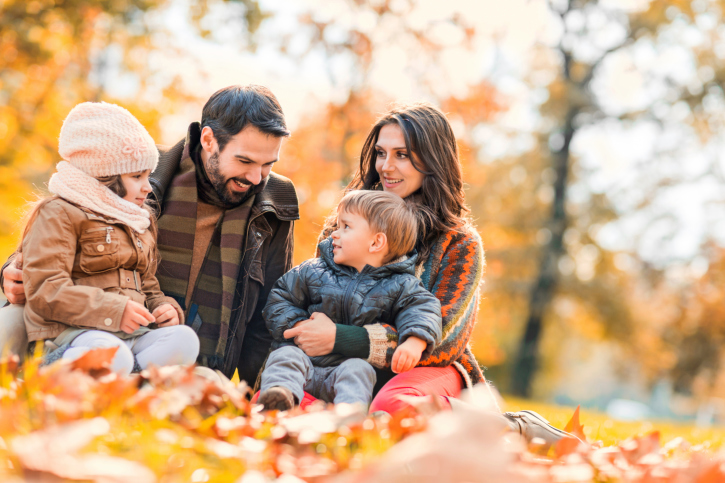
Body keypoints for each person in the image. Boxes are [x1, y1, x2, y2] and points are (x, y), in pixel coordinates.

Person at [279, 102, 575, 445]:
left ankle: (510, 427)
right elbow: (320, 308)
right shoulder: (342, 228)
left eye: (402, 155)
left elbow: (439, 340)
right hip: (346, 368)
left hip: (426, 371)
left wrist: (342, 337)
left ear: (432, 161)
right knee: (284, 401)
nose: (386, 166)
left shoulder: (460, 244)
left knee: (393, 408)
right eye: (380, 153)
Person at [0, 85, 299, 384]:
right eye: (245, 161)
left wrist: (257, 393)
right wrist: (10, 271)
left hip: (170, 350)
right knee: (12, 317)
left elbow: (268, 312)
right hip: (89, 329)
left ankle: (127, 381)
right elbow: (65, 223)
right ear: (209, 140)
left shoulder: (274, 202)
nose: (256, 177)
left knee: (199, 374)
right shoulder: (140, 174)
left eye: (268, 165)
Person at [3, 101, 199, 374]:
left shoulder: (137, 221)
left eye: (148, 175)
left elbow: (147, 284)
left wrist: (162, 306)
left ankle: (127, 381)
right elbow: (46, 290)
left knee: (184, 340)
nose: (147, 186)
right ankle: (54, 373)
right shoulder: (60, 213)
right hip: (75, 334)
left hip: (129, 335)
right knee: (111, 352)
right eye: (136, 176)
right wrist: (114, 310)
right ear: (103, 176)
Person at [258, 190, 442, 410]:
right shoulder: (314, 270)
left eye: (346, 227)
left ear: (376, 243)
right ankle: (281, 398)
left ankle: (349, 416)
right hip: (304, 363)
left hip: (343, 371)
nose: (334, 234)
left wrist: (415, 341)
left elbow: (423, 309)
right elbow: (279, 298)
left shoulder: (401, 284)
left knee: (359, 370)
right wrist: (298, 325)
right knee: (285, 356)